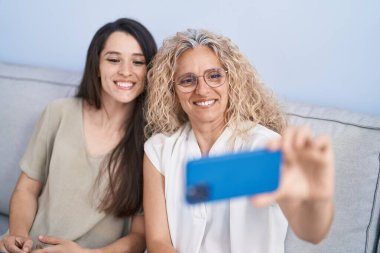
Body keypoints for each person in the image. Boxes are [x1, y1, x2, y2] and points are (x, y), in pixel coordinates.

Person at [143, 29, 334, 253]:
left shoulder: (263, 147)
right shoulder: (159, 150)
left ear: (231, 81)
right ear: (172, 91)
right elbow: (157, 242)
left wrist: (318, 200)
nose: (202, 90)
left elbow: (310, 231)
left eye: (214, 76)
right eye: (187, 80)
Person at [0, 18, 157, 253]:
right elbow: (26, 190)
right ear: (96, 65)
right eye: (114, 59)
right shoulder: (58, 112)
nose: (126, 71)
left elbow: (140, 236)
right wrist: (18, 235)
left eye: (138, 62)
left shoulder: (152, 141)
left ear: (149, 70)